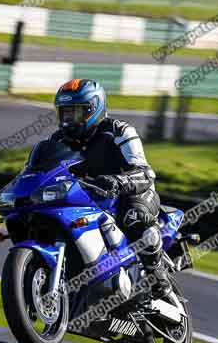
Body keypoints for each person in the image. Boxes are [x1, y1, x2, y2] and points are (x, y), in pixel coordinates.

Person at [50, 78, 172, 299]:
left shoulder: (119, 131)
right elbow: (44, 169)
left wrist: (118, 181)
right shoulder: (58, 140)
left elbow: (145, 172)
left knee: (135, 216)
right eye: (64, 113)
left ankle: (158, 277)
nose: (68, 119)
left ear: (93, 109)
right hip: (90, 197)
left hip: (133, 193)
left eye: (75, 112)